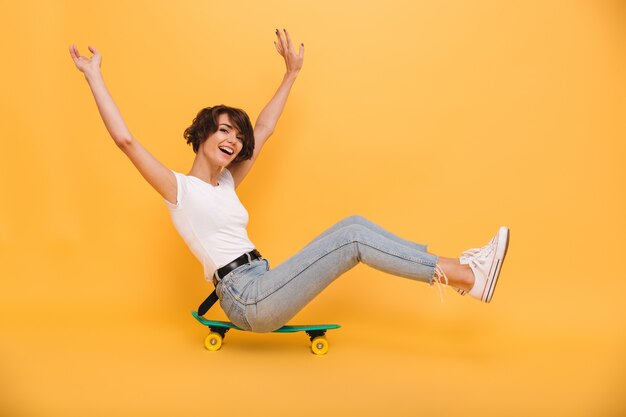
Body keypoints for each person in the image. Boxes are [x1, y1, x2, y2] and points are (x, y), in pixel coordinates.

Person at [69, 29, 510, 333]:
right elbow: (125, 140)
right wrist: (94, 76)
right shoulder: (178, 191)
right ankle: (465, 274)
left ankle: (460, 272)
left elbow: (264, 131)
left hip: (264, 280)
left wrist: (291, 74)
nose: (233, 140)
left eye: (236, 137)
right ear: (202, 134)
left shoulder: (226, 185)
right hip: (247, 298)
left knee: (353, 223)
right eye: (223, 130)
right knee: (354, 236)